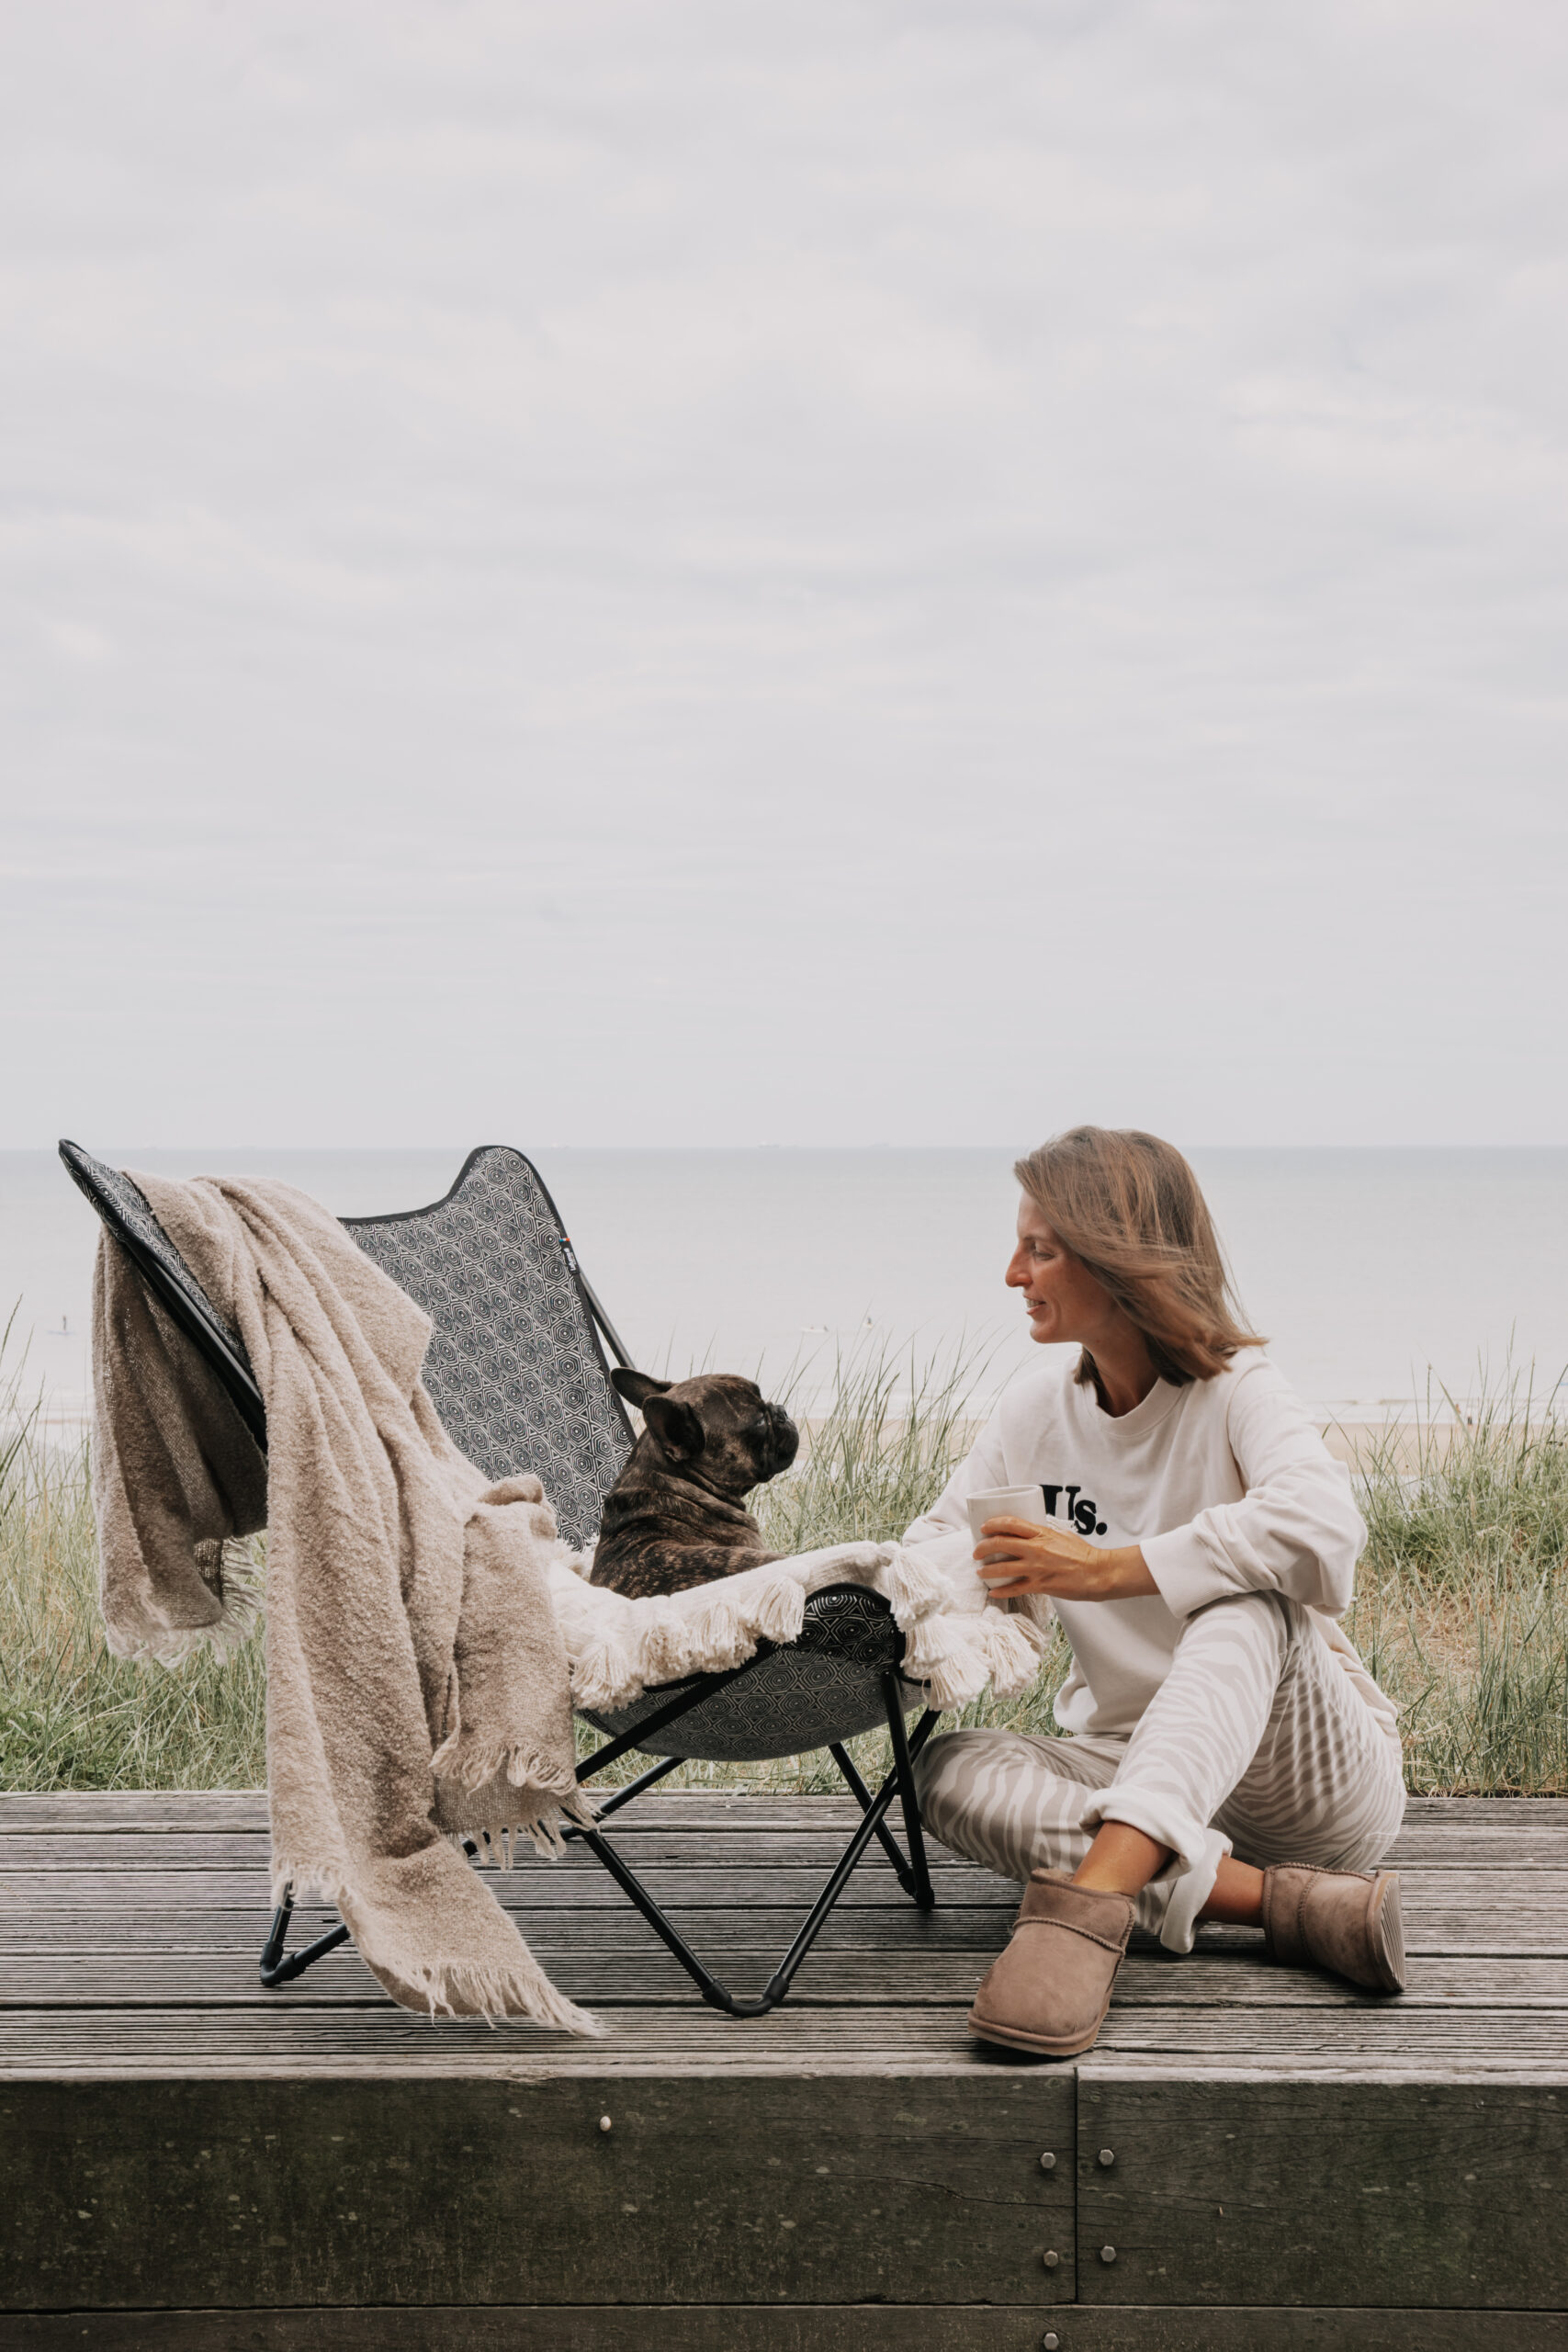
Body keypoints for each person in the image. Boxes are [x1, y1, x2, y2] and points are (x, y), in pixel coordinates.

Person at [903, 1125, 1406, 2058]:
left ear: (1118, 1261)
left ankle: (1094, 1903)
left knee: (1247, 1601)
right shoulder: (1035, 1412)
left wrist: (1108, 1569)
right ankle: (1275, 1906)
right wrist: (896, 1589)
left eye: (1040, 1249)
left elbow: (1326, 1533)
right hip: (1130, 1764)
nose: (1014, 1272)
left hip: (1304, 1785)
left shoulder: (1237, 1389)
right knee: (946, 1770)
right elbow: (941, 1542)